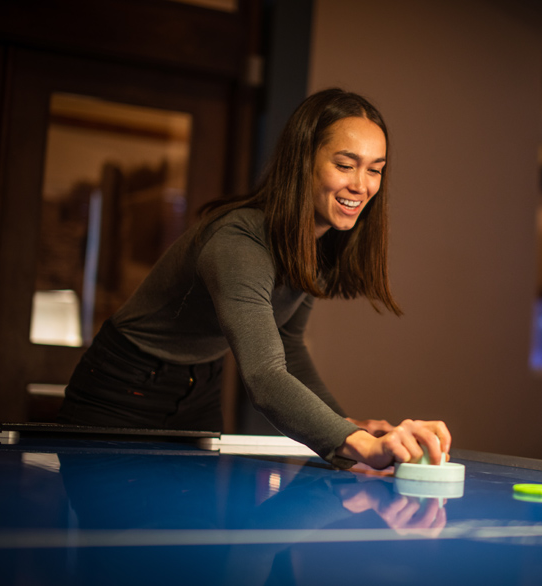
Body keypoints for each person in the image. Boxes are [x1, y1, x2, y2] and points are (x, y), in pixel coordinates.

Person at [58, 88, 450, 470]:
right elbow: (265, 377)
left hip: (200, 390)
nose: (362, 185)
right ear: (303, 162)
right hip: (121, 388)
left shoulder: (321, 243)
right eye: (345, 165)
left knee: (192, 532)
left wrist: (345, 428)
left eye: (375, 170)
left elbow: (288, 345)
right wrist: (357, 444)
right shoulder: (238, 240)